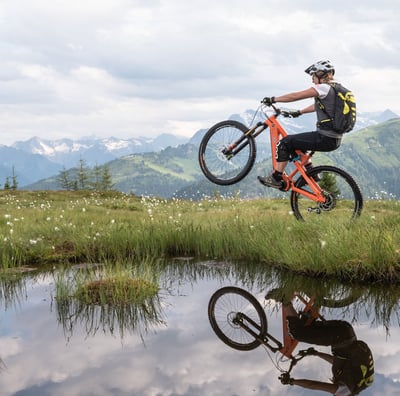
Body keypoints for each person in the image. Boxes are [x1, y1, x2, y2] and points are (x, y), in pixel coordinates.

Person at [266, 290, 374, 395]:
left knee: (308, 326)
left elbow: (336, 361)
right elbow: (314, 385)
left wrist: (316, 354)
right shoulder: (345, 391)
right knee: (298, 333)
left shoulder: (356, 382)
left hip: (346, 332)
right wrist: (292, 382)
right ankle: (284, 298)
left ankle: (318, 292)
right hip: (338, 338)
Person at [258, 60, 345, 188]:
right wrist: (300, 112)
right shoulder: (337, 89)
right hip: (335, 138)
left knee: (285, 142)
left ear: (321, 75)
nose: (312, 80)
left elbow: (296, 96)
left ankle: (276, 177)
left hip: (325, 137)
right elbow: (319, 106)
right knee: (300, 145)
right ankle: (311, 172)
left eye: (313, 76)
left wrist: (273, 99)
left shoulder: (323, 87)